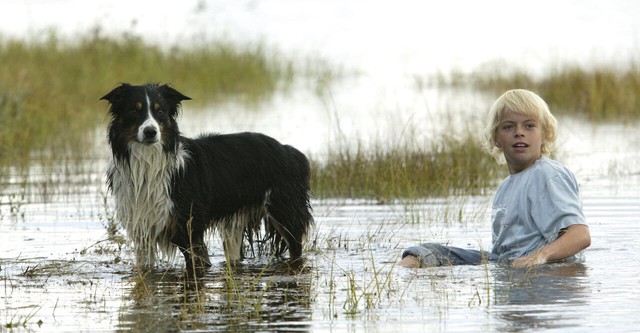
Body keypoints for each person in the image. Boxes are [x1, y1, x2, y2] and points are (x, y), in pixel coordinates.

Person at [399, 89, 591, 269]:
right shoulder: (505, 187)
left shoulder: (547, 174)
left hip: (541, 271)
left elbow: (580, 235)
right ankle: (392, 276)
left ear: (545, 134)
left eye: (529, 125)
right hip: (506, 264)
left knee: (429, 254)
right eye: (508, 127)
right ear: (496, 138)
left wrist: (539, 257)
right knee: (421, 254)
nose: (519, 132)